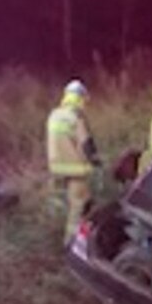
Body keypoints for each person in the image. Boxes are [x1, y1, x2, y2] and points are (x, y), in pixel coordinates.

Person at [46, 79, 100, 245]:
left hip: (55, 167)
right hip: (76, 169)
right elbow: (86, 144)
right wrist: (95, 160)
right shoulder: (75, 117)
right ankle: (71, 242)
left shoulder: (54, 114)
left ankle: (50, 232)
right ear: (80, 97)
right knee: (78, 204)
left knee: (57, 201)